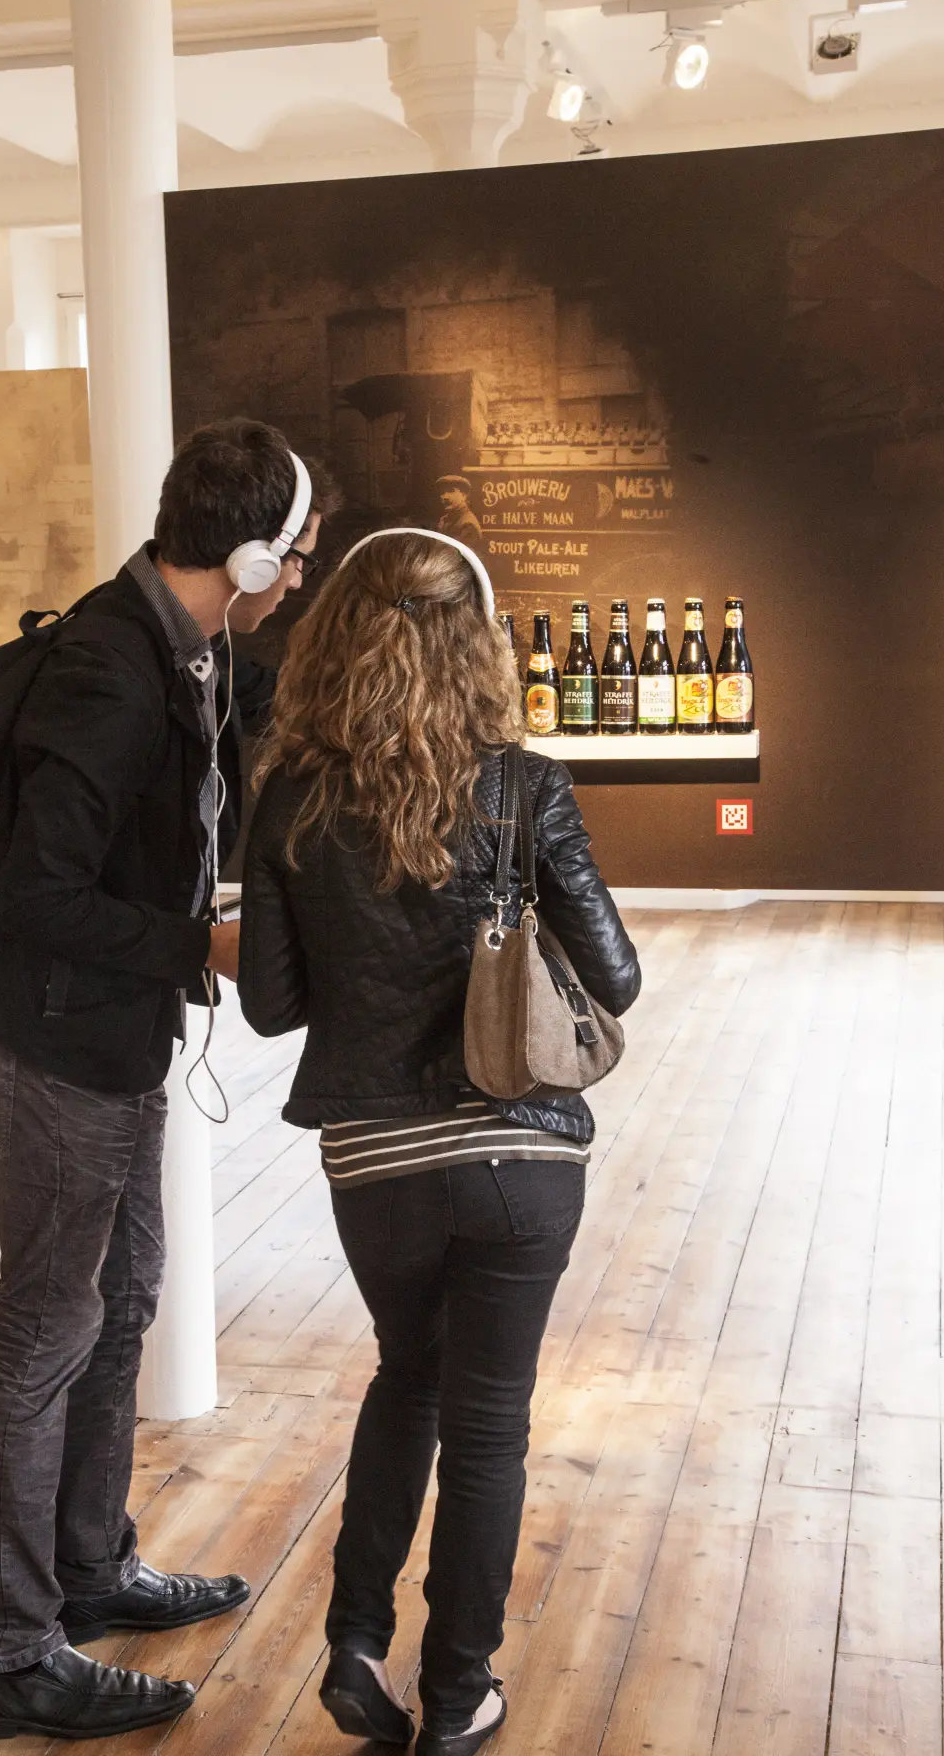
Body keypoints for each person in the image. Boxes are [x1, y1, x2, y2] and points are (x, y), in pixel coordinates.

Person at [0, 418, 334, 1743]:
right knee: (46, 1337)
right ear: (243, 551)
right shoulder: (115, 670)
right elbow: (37, 896)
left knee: (126, 1308)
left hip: (112, 1033)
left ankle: (88, 1568)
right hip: (55, 1040)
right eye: (294, 558)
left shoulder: (185, 647)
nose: (297, 580)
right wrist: (202, 942)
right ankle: (5, 1656)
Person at [238, 529, 640, 1756]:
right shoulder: (526, 786)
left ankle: (358, 1641)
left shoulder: (295, 794)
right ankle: (461, 1693)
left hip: (378, 1162)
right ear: (481, 643)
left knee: (405, 1373)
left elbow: (269, 1001)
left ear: (338, 637)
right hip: (522, 1154)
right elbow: (616, 981)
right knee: (490, 1423)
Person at [435, 474, 483, 553]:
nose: (445, 497)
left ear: (463, 495)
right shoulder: (444, 520)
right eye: (442, 493)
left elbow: (456, 558)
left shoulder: (468, 524)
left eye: (451, 491)